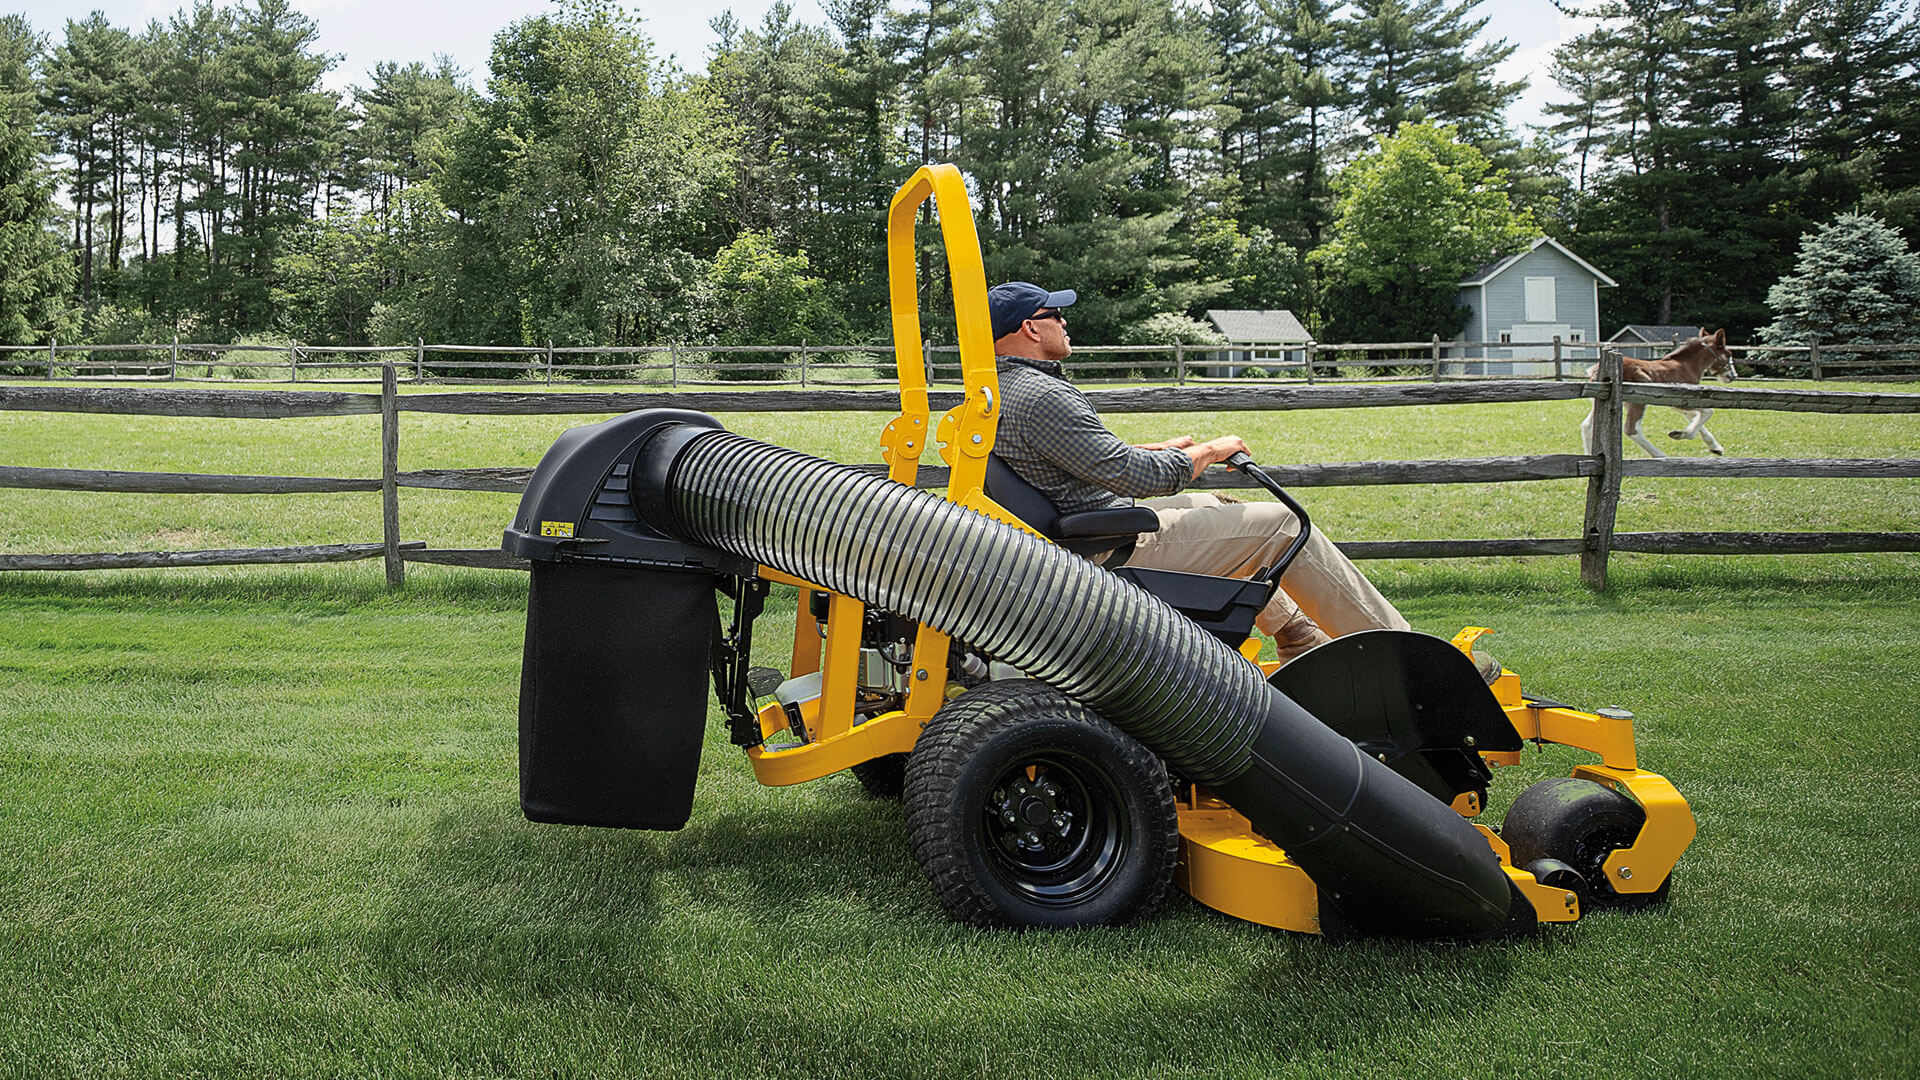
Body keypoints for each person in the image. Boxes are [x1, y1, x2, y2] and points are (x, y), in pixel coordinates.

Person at [985, 281, 1412, 662]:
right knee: (1282, 525)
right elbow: (1137, 478)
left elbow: (1066, 459)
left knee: (1218, 502)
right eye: (1055, 315)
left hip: (1082, 531)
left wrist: (1156, 449)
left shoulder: (1000, 390)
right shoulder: (1043, 396)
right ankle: (1410, 661)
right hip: (1106, 547)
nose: (1064, 322)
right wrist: (1209, 451)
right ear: (1031, 328)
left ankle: (1298, 636)